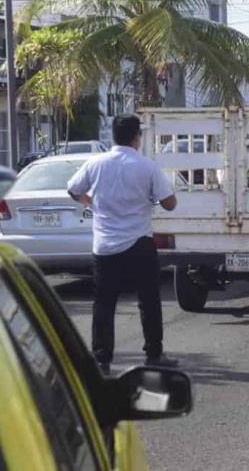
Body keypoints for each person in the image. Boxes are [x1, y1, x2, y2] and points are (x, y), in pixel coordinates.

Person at [67, 114, 179, 375]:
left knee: (104, 304)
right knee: (148, 300)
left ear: (113, 136)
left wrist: (90, 202)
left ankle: (102, 359)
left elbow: (73, 189)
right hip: (139, 243)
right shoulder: (147, 166)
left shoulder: (96, 163)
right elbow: (170, 203)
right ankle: (154, 354)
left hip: (105, 245)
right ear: (136, 137)